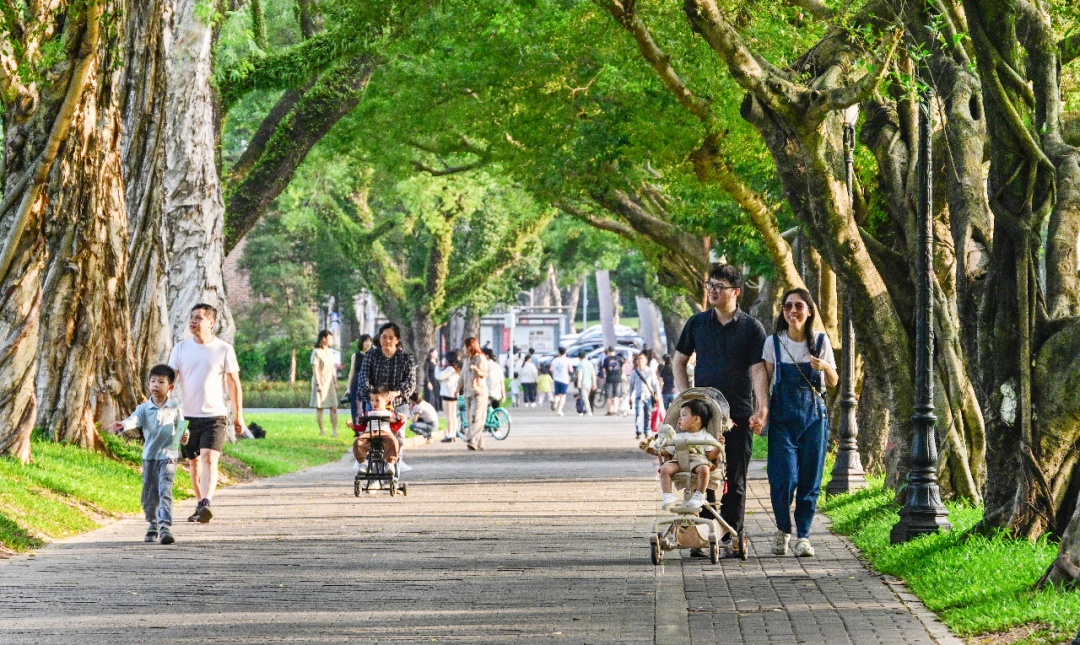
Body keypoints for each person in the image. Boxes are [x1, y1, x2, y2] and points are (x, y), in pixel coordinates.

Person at [673, 264, 768, 555]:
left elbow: (758, 371)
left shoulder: (751, 328)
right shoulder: (697, 324)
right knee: (703, 474)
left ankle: (732, 535)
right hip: (703, 415)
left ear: (736, 292)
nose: (712, 290)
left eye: (720, 286)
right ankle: (700, 536)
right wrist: (685, 399)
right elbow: (678, 361)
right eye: (710, 285)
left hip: (738, 413)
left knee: (736, 478)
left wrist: (761, 408)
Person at [763, 288, 837, 558]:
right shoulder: (773, 342)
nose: (792, 311)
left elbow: (834, 381)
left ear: (809, 311)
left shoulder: (820, 341)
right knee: (783, 478)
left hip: (814, 418)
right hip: (782, 418)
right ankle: (783, 529)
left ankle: (803, 536)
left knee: (810, 479)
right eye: (787, 307)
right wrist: (761, 411)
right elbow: (765, 379)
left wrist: (825, 367)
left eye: (798, 306)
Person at [168, 303, 245, 524]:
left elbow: (234, 383)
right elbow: (171, 379)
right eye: (191, 317)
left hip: (215, 416)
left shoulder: (224, 349)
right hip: (185, 417)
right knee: (193, 462)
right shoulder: (180, 349)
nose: (193, 321)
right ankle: (199, 503)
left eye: (199, 318)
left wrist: (238, 415)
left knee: (210, 458)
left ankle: (206, 503)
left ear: (211, 322)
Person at [113, 364, 186, 545]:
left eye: (161, 382)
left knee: (165, 490)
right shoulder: (144, 409)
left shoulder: (175, 408)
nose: (156, 385)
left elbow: (182, 428)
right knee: (148, 494)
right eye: (153, 381)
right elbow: (134, 420)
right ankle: (152, 523)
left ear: (170, 386)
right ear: (148, 384)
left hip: (168, 456)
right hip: (149, 457)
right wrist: (123, 424)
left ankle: (164, 527)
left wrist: (183, 438)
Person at [645, 399, 721, 510]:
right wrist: (652, 450)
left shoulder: (705, 436)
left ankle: (699, 494)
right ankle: (668, 495)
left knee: (704, 469)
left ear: (696, 419)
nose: (679, 419)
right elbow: (668, 452)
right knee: (665, 469)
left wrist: (719, 447)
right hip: (678, 460)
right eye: (680, 415)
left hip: (698, 460)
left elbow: (710, 456)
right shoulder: (677, 436)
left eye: (684, 415)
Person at [358, 322, 416, 412]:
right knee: (373, 426)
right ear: (379, 338)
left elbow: (410, 381)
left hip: (397, 404)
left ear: (397, 340)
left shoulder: (406, 357)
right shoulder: (371, 355)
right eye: (384, 337)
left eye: (391, 338)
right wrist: (376, 395)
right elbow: (363, 378)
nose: (387, 341)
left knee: (397, 426)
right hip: (373, 405)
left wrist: (397, 392)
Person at [353, 387, 402, 470]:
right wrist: (353, 426)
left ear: (386, 401)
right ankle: (363, 463)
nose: (373, 403)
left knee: (393, 441)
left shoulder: (389, 413)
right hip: (369, 432)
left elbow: (394, 427)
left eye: (377, 400)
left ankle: (390, 463)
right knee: (358, 442)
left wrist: (401, 421)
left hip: (385, 432)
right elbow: (363, 427)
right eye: (372, 400)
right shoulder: (368, 413)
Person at [462, 337, 489, 451]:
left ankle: (471, 440)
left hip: (479, 392)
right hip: (468, 392)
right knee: (471, 419)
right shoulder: (466, 360)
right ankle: (480, 443)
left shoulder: (481, 358)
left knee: (477, 418)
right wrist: (457, 389)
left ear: (470, 347)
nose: (463, 349)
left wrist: (477, 371)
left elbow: (484, 373)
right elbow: (462, 376)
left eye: (465, 346)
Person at [311, 330, 339, 437]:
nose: (331, 340)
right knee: (320, 407)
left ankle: (334, 431)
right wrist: (318, 384)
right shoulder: (316, 352)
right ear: (324, 338)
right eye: (330, 338)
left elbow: (332, 368)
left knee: (334, 407)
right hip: (320, 381)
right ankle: (322, 430)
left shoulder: (331, 352)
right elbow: (315, 368)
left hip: (330, 382)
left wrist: (335, 382)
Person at [628, 353, 662, 439]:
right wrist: (630, 397)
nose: (639, 361)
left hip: (648, 396)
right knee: (638, 414)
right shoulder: (635, 372)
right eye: (638, 359)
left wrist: (658, 396)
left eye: (641, 359)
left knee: (648, 414)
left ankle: (647, 431)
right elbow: (631, 386)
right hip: (638, 396)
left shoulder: (650, 372)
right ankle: (638, 431)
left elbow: (656, 385)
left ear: (646, 361)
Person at [347, 334, 374, 424]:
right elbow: (351, 372)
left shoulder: (374, 354)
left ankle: (368, 429)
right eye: (365, 341)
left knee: (369, 407)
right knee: (356, 408)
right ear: (361, 342)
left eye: (369, 341)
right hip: (356, 383)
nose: (368, 343)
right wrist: (348, 388)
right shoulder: (356, 355)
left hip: (370, 385)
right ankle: (358, 431)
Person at [437, 351, 462, 443]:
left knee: (448, 416)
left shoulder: (450, 369)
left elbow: (439, 377)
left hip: (447, 394)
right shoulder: (457, 369)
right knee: (453, 415)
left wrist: (437, 367)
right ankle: (453, 433)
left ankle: (450, 434)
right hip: (454, 394)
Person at [599, 347, 626, 416]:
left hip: (609, 378)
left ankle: (609, 410)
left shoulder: (606, 359)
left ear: (608, 351)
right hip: (618, 378)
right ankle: (615, 410)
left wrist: (605, 376)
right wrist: (621, 374)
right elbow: (623, 368)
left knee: (609, 395)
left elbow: (604, 370)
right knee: (616, 395)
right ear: (614, 351)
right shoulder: (619, 358)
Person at [549, 347, 574, 416]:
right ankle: (559, 410)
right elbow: (571, 370)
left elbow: (551, 369)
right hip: (565, 379)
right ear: (565, 352)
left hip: (556, 379)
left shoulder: (555, 360)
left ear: (558, 352)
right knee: (563, 396)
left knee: (557, 394)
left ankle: (555, 401)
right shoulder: (568, 360)